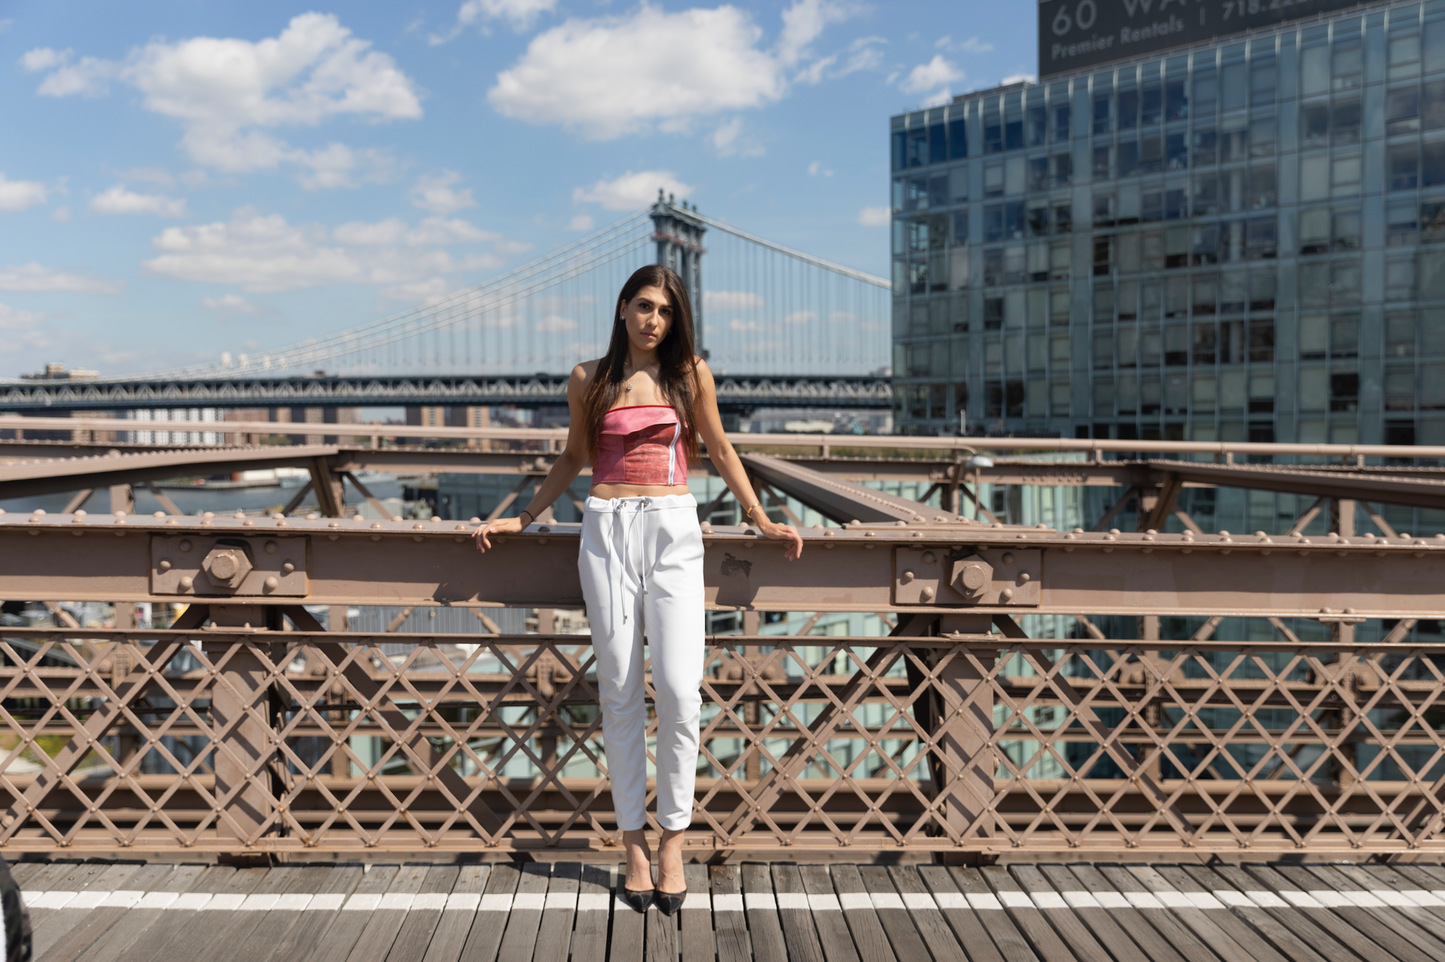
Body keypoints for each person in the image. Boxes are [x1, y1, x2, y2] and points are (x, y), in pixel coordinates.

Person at [475, 264, 803, 914]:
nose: (654, 319)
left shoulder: (690, 376)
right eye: (645, 306)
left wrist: (759, 517)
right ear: (622, 306)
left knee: (681, 693)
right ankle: (632, 845)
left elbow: (720, 447)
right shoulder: (587, 378)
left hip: (673, 530)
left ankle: (672, 840)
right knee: (620, 694)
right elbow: (573, 457)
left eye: (666, 311)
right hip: (606, 530)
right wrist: (525, 515)